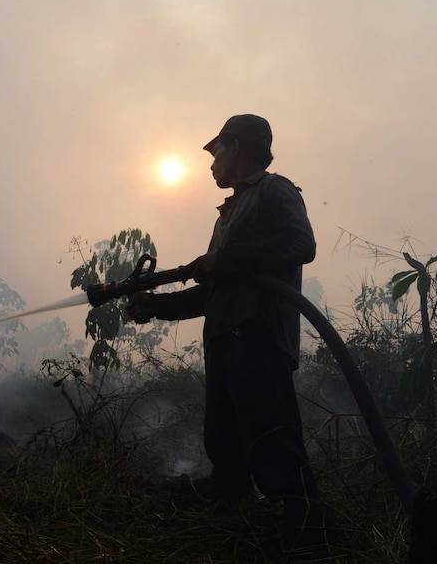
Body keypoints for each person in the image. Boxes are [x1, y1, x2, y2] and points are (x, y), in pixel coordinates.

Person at [126, 114, 333, 553]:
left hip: (257, 336)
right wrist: (155, 306)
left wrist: (230, 259)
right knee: (226, 446)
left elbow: (302, 246)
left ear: (236, 146)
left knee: (272, 440)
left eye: (215, 150)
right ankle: (228, 521)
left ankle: (309, 536)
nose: (210, 162)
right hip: (224, 339)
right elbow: (213, 295)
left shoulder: (275, 190)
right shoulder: (229, 214)